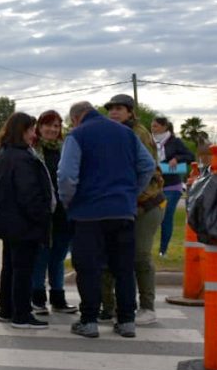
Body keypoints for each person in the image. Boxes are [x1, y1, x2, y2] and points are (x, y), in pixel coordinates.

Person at [57, 101, 155, 339]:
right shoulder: (127, 133)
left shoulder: (77, 135)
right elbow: (148, 165)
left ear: (76, 118)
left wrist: (68, 201)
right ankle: (126, 321)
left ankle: (89, 320)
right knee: (123, 267)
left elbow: (67, 176)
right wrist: (130, 193)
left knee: (89, 268)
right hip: (122, 211)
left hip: (88, 213)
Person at [102, 95, 166, 326]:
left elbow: (146, 169)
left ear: (130, 112)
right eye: (110, 110)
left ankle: (148, 307)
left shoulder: (136, 133)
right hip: (128, 205)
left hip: (147, 204)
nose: (113, 113)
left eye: (119, 109)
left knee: (140, 255)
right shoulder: (117, 133)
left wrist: (131, 196)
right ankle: (115, 306)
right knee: (119, 257)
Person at [0, 112, 54, 329]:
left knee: (11, 268)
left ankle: (7, 310)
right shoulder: (22, 157)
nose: (34, 134)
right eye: (31, 129)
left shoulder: (6, 153)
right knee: (23, 269)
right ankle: (22, 315)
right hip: (23, 222)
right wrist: (42, 216)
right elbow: (28, 193)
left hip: (9, 220)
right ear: (22, 131)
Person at [30, 110, 78, 315]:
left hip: (63, 212)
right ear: (39, 128)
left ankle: (58, 299)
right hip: (42, 214)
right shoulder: (32, 151)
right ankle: (37, 299)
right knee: (41, 256)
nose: (52, 129)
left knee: (58, 257)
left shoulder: (65, 149)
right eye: (48, 125)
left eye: (56, 126)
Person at [150, 117, 195, 256]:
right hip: (153, 186)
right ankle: (146, 250)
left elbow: (190, 156)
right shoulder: (149, 141)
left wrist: (177, 159)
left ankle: (163, 251)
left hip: (172, 185)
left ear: (165, 127)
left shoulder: (175, 142)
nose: (153, 128)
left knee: (166, 217)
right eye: (152, 126)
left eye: (156, 126)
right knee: (150, 217)